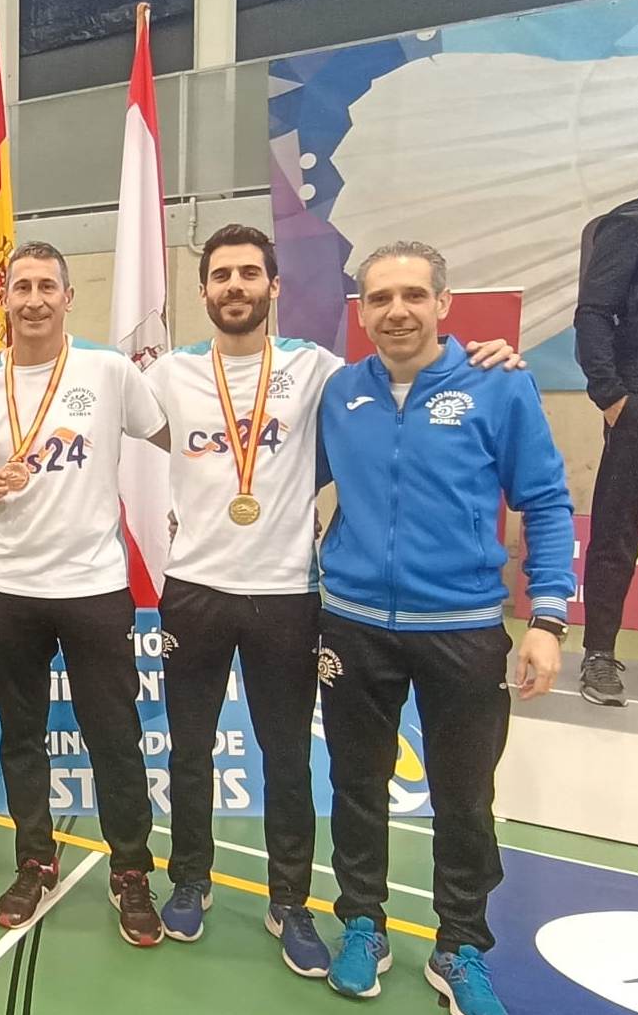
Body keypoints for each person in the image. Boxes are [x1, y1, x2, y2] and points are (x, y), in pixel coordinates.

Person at [133, 225, 522, 973]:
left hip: (288, 592)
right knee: (189, 749)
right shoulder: (170, 376)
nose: (235, 286)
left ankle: (290, 900)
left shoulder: (320, 371)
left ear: (273, 288)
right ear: (205, 290)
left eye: (250, 273)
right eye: (221, 276)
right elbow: (99, 418)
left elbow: (403, 369)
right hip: (194, 591)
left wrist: (482, 354)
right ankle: (189, 878)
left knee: (285, 756)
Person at [317, 241, 573, 1015]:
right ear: (360, 312)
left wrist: (549, 617)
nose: (396, 311)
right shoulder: (340, 393)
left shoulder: (500, 385)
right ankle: (363, 921)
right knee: (357, 786)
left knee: (464, 799)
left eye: (412, 296)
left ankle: (460, 946)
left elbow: (547, 499)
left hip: (463, 628)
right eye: (379, 298)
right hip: (352, 624)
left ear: (443, 304)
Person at [0, 241, 163, 946]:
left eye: (48, 285)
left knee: (115, 736)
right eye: (22, 287)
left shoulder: (107, 372)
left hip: (94, 586)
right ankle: (34, 860)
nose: (34, 298)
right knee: (21, 737)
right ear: (4, 301)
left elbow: (173, 437)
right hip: (8, 587)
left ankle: (130, 871)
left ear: (68, 297)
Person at [575, 191, 638, 706]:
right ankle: (599, 656)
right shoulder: (632, 222)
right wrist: (611, 396)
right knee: (617, 534)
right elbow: (594, 312)